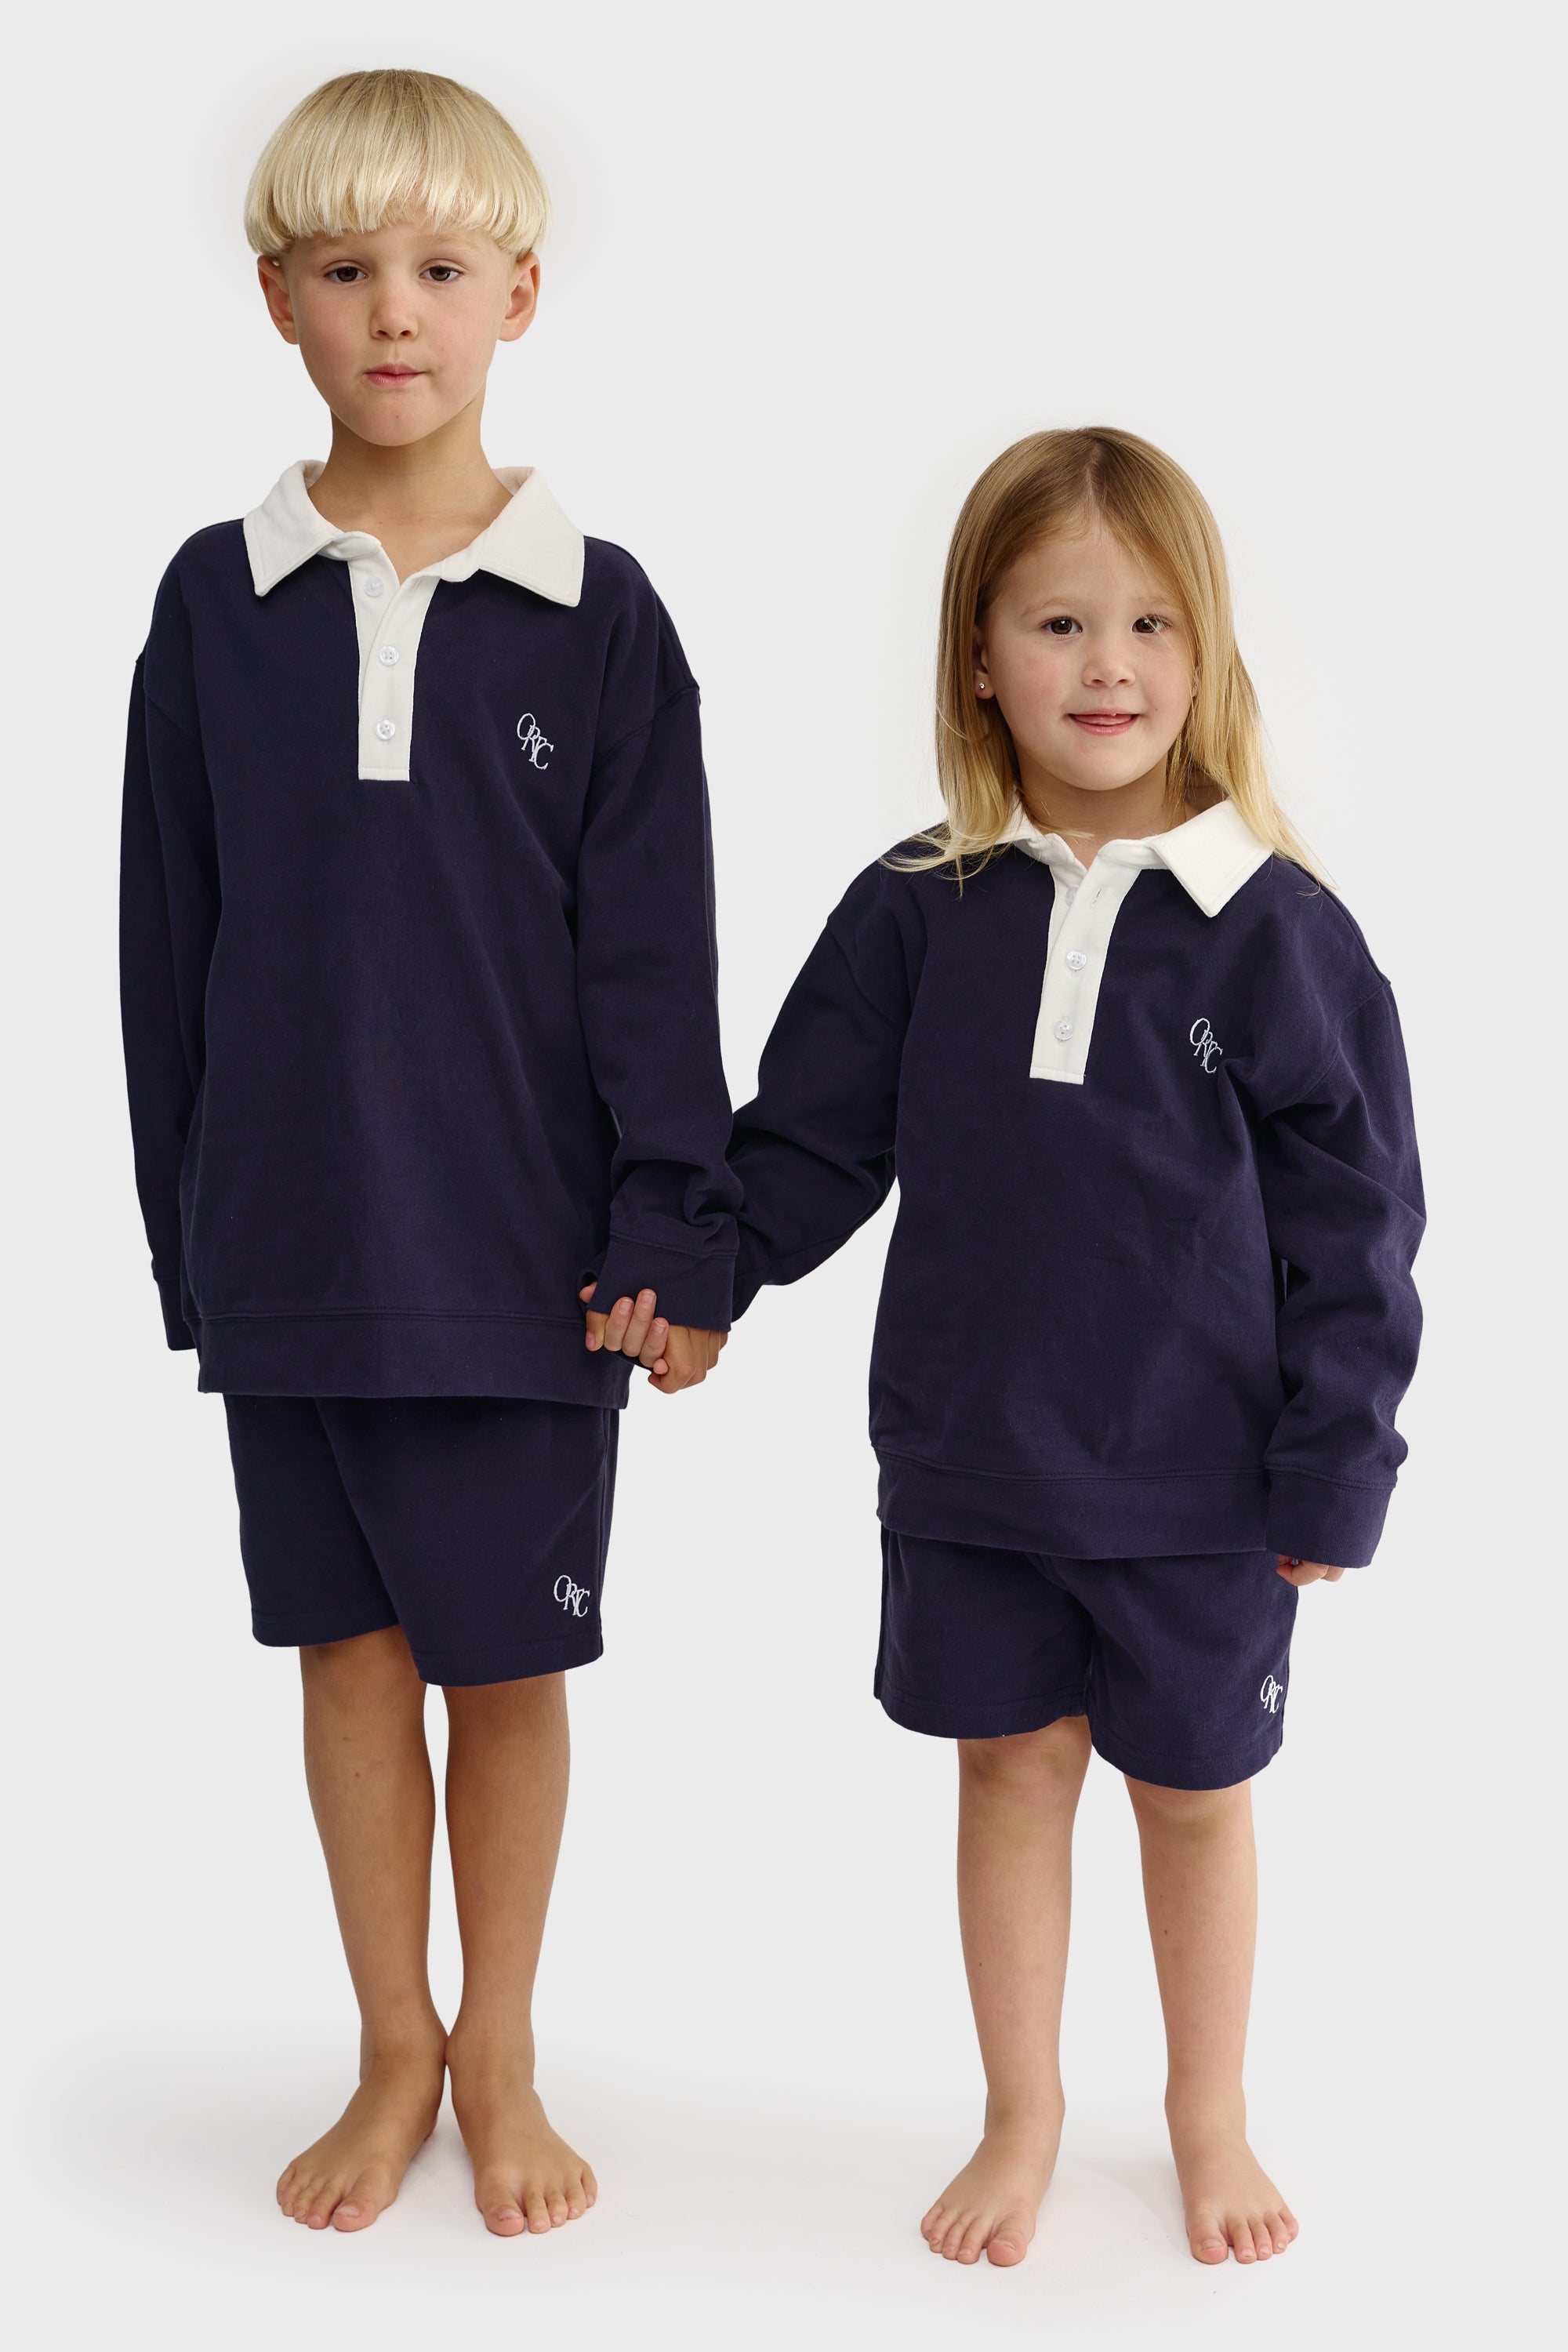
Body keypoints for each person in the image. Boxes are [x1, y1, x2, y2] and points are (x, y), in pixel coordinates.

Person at [118, 68, 733, 2238]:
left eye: (443, 269)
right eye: (347, 266)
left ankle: (506, 2051)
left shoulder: (603, 614)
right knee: (349, 1661)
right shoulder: (215, 605)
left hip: (528, 1265)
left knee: (506, 1669)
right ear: (277, 297)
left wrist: (676, 1234)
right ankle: (395, 2043)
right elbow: (165, 946)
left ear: (519, 298)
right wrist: (190, 1246)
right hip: (292, 1246)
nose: (396, 310)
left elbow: (655, 961)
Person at [724, 427, 1423, 2267]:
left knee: (1191, 1798)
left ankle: (1206, 2116)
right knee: (1007, 1774)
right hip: (969, 1463)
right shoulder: (917, 903)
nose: (1105, 666)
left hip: (1201, 1484)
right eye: (1056, 623)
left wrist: (1335, 1462)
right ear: (978, 656)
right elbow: (804, 1146)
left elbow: (1359, 1224)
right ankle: (1019, 2112)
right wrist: (688, 1279)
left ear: (1206, 655)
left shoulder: (1276, 930)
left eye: (1148, 624)